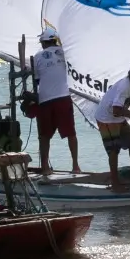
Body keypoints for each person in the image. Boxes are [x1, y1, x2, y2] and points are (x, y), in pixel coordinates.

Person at [94, 62, 130, 191]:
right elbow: (116, 110)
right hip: (106, 119)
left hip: (118, 117)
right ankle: (115, 184)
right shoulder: (123, 87)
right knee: (114, 150)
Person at [30, 30, 81, 175]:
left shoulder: (38, 56)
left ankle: (45, 167)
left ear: (44, 42)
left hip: (45, 99)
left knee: (44, 136)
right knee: (71, 133)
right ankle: (76, 166)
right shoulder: (66, 53)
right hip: (64, 97)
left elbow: (37, 80)